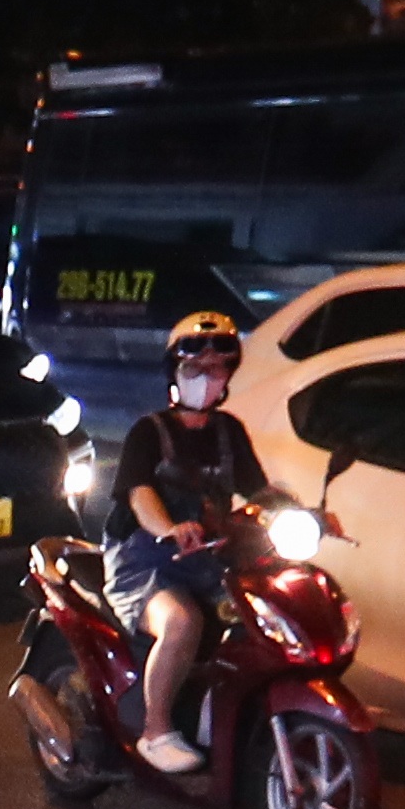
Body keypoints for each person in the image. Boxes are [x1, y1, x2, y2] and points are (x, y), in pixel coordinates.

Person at [110, 309, 266, 775]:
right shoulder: (149, 431)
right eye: (194, 368)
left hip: (208, 559)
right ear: (174, 373)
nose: (206, 377)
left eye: (216, 369)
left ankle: (210, 718)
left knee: (259, 619)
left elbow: (260, 491)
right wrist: (168, 527)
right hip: (146, 561)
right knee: (181, 621)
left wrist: (308, 515)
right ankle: (155, 731)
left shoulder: (228, 431)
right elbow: (139, 495)